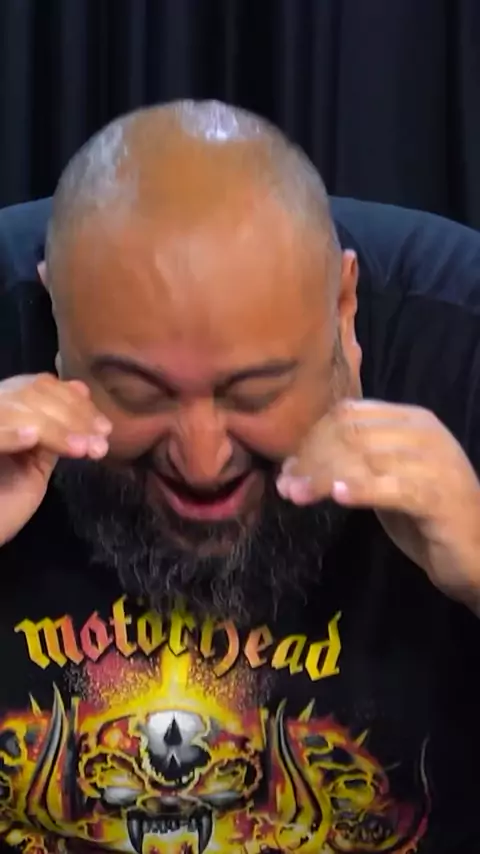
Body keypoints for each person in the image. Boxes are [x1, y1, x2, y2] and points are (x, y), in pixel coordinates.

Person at [0, 100, 479, 854]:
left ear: (343, 308)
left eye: (255, 393)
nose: (202, 461)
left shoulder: (462, 350)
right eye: (138, 393)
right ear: (56, 311)